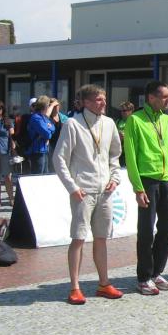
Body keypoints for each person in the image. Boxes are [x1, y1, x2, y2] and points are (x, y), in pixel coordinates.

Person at [53, 84, 124, 305]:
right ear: (85, 102)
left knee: (101, 238)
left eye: (104, 98)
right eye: (98, 99)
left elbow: (115, 155)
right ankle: (74, 287)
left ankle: (104, 283)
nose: (103, 103)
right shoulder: (72, 124)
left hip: (105, 191)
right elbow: (59, 158)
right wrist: (72, 187)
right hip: (83, 192)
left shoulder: (109, 123)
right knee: (79, 238)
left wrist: (115, 178)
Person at [125, 81, 168, 295]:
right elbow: (130, 155)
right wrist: (138, 188)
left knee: (167, 229)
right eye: (164, 96)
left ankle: (157, 272)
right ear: (151, 98)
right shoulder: (135, 120)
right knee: (146, 231)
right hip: (147, 180)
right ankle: (143, 277)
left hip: (167, 180)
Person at [27, 96, 57, 174]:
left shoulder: (43, 117)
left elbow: (53, 128)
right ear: (45, 106)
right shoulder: (36, 118)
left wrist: (49, 128)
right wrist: (49, 128)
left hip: (44, 150)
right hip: (37, 151)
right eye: (48, 105)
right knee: (38, 176)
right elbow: (47, 134)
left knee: (45, 175)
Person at [116, 101, 135, 167]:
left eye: (124, 111)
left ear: (131, 111)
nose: (122, 113)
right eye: (121, 111)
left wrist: (126, 136)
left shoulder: (134, 122)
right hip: (120, 152)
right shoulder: (118, 121)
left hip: (130, 152)